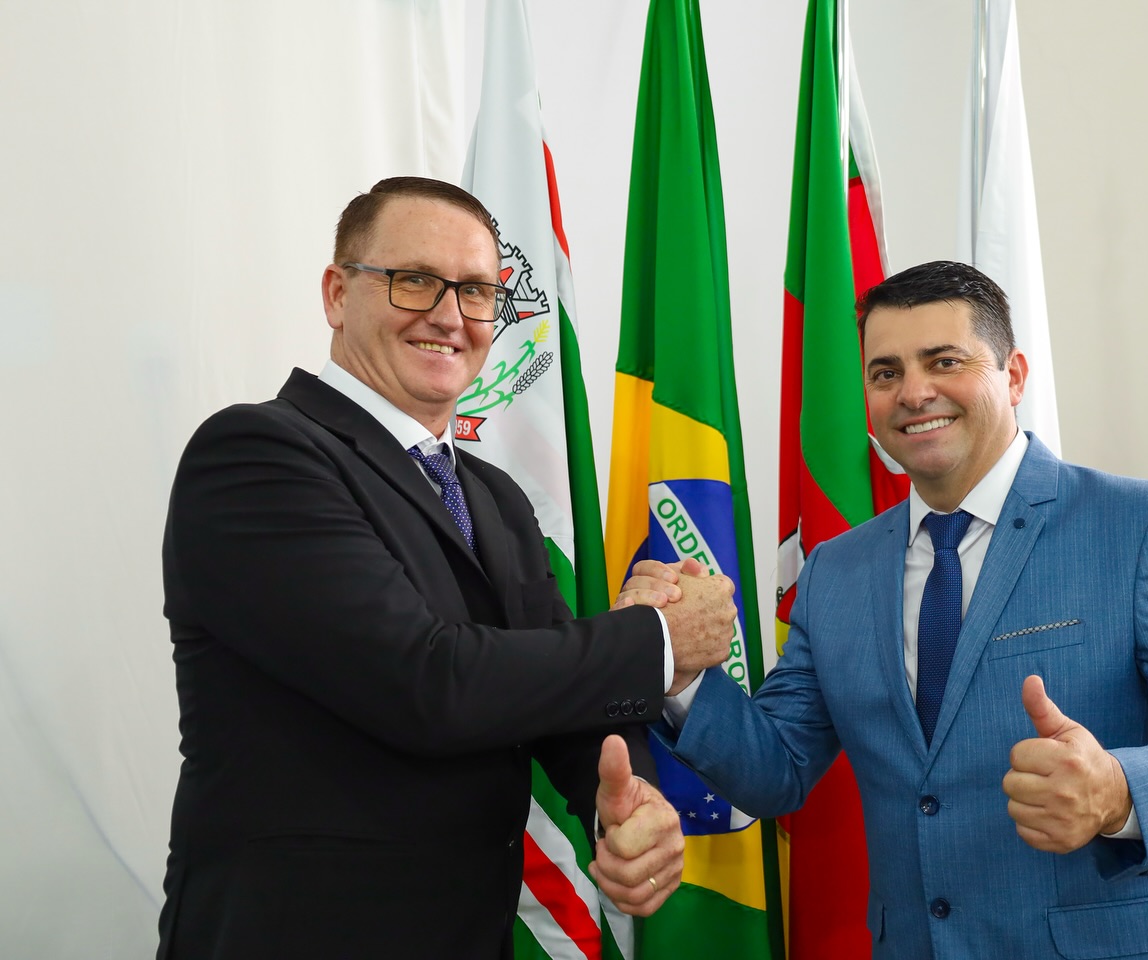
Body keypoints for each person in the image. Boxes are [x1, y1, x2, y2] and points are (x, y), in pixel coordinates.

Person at [628, 260, 1148, 959]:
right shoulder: (835, 572)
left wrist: (1118, 792)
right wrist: (681, 671)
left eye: (944, 361)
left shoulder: (1145, 526)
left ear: (1013, 376)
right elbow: (777, 767)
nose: (913, 392)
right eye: (885, 372)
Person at [156, 176, 737, 960]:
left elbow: (560, 699)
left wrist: (625, 797)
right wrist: (657, 638)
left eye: (476, 292)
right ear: (337, 294)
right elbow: (425, 681)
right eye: (414, 280)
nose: (449, 315)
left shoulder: (494, 497)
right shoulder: (256, 455)